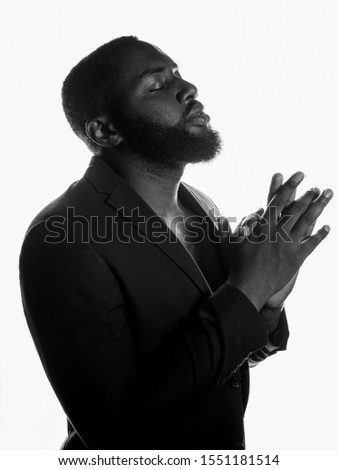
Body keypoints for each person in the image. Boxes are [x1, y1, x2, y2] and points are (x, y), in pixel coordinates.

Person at [19, 36, 333, 450]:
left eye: (179, 75)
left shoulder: (200, 204)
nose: (188, 90)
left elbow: (232, 361)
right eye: (156, 85)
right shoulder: (63, 235)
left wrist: (266, 301)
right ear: (105, 129)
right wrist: (246, 289)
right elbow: (113, 432)